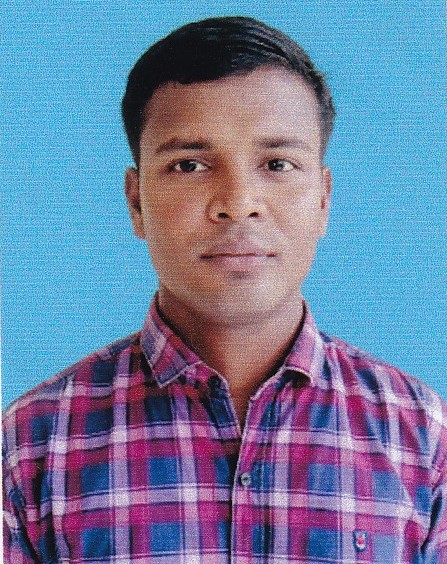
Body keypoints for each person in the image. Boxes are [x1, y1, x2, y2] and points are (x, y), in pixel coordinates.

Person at [3, 16, 446, 563]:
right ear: (136, 201)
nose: (237, 203)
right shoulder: (31, 445)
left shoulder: (422, 438)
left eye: (277, 164)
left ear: (323, 198)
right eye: (189, 165)